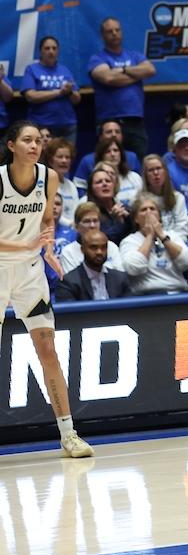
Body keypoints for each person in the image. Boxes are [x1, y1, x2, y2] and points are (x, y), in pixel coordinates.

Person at [0, 120, 93, 457]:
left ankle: (69, 435)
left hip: (30, 272)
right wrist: (25, 246)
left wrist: (49, 246)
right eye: (26, 140)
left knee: (47, 350)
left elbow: (46, 220)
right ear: (11, 146)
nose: (34, 145)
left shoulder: (48, 177)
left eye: (38, 140)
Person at [88, 17, 155, 158]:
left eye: (117, 30)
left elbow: (150, 70)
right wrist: (135, 74)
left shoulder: (134, 55)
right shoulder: (97, 58)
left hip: (135, 121)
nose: (114, 33)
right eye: (109, 31)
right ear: (102, 35)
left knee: (139, 163)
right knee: (108, 163)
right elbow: (108, 78)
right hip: (109, 122)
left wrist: (122, 70)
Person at [119, 193, 188, 295]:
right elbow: (133, 268)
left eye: (152, 209)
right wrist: (149, 236)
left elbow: (186, 262)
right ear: (136, 218)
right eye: (143, 210)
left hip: (177, 293)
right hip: (147, 297)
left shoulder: (172, 236)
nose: (149, 212)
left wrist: (162, 236)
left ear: (159, 215)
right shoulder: (130, 241)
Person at [21, 36, 80, 146]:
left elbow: (76, 99)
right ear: (40, 51)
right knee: (39, 162)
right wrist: (58, 92)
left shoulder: (64, 70)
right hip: (41, 126)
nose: (51, 51)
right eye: (47, 48)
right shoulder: (32, 69)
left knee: (65, 161)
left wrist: (70, 92)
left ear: (58, 50)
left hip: (67, 126)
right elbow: (30, 96)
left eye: (54, 48)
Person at [56, 230, 132, 301]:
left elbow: (129, 310)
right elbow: (68, 314)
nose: (99, 252)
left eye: (103, 247)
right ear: (82, 250)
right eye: (93, 247)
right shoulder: (68, 282)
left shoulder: (120, 278)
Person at [59, 202, 124, 274]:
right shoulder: (68, 252)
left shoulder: (111, 247)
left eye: (95, 221)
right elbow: (72, 282)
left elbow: (120, 278)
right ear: (76, 226)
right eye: (87, 221)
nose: (92, 225)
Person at [93, 135, 143, 207]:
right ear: (101, 156)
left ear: (121, 154)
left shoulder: (134, 177)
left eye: (116, 150)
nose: (113, 154)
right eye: (108, 151)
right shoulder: (98, 181)